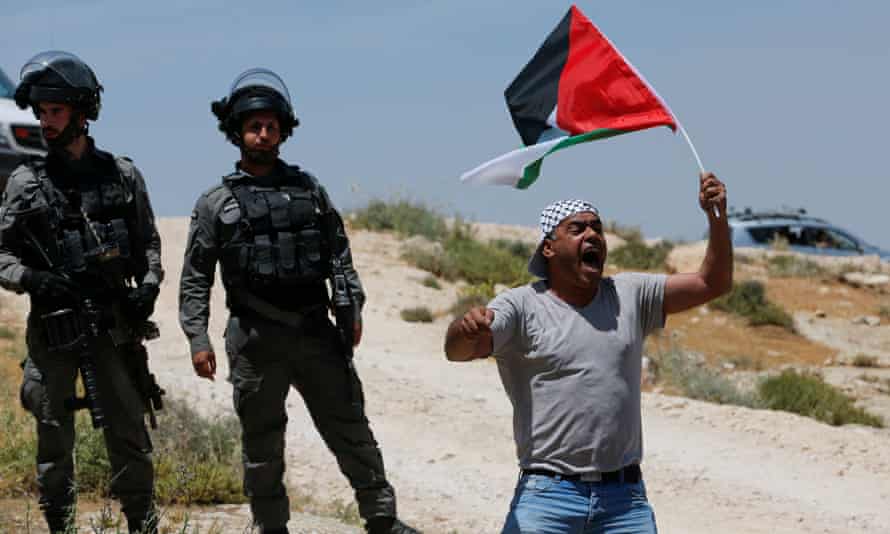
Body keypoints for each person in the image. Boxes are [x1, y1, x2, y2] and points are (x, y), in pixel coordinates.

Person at [179, 68, 419, 534]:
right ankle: (271, 526)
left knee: (351, 429)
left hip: (315, 332)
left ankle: (381, 518)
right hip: (254, 339)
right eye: (254, 126)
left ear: (283, 130)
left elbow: (340, 258)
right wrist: (197, 338)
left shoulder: (309, 191)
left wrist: (351, 308)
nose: (263, 133)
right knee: (262, 442)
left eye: (271, 125)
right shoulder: (216, 204)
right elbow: (195, 278)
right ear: (237, 132)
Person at [445, 172, 732, 533]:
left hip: (624, 502)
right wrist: (465, 329)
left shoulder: (629, 294)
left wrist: (717, 217)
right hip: (547, 497)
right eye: (578, 228)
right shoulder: (520, 305)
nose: (593, 235)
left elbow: (713, 282)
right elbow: (458, 351)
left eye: (597, 228)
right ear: (548, 248)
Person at [0, 51, 164, 533]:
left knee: (129, 433)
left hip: (114, 326)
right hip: (53, 328)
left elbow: (149, 243)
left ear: (81, 112)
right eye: (41, 112)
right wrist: (33, 279)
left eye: (55, 111)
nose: (44, 122)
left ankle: (143, 523)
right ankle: (61, 526)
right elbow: (2, 254)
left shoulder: (123, 176)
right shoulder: (26, 183)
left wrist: (148, 288)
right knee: (53, 434)